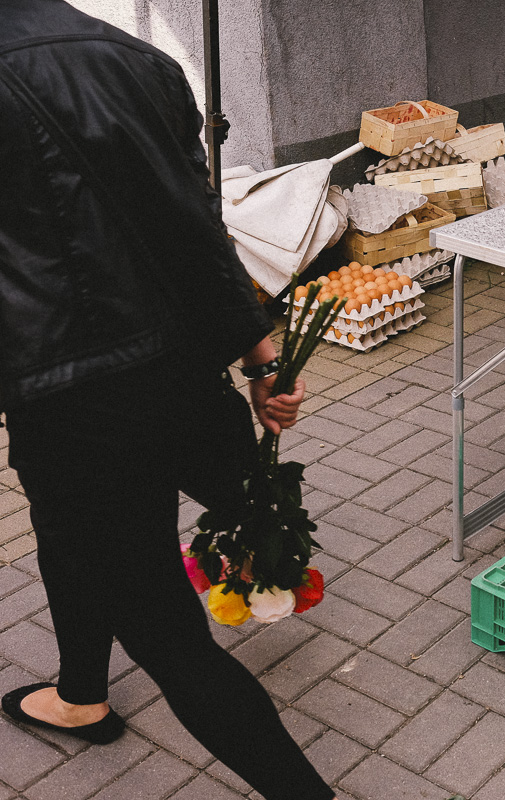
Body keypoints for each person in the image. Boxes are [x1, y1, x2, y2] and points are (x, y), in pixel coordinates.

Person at [0, 1, 335, 798]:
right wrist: (262, 357)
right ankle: (81, 694)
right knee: (74, 535)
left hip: (71, 395)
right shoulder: (132, 55)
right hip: (178, 371)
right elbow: (195, 221)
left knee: (165, 633)